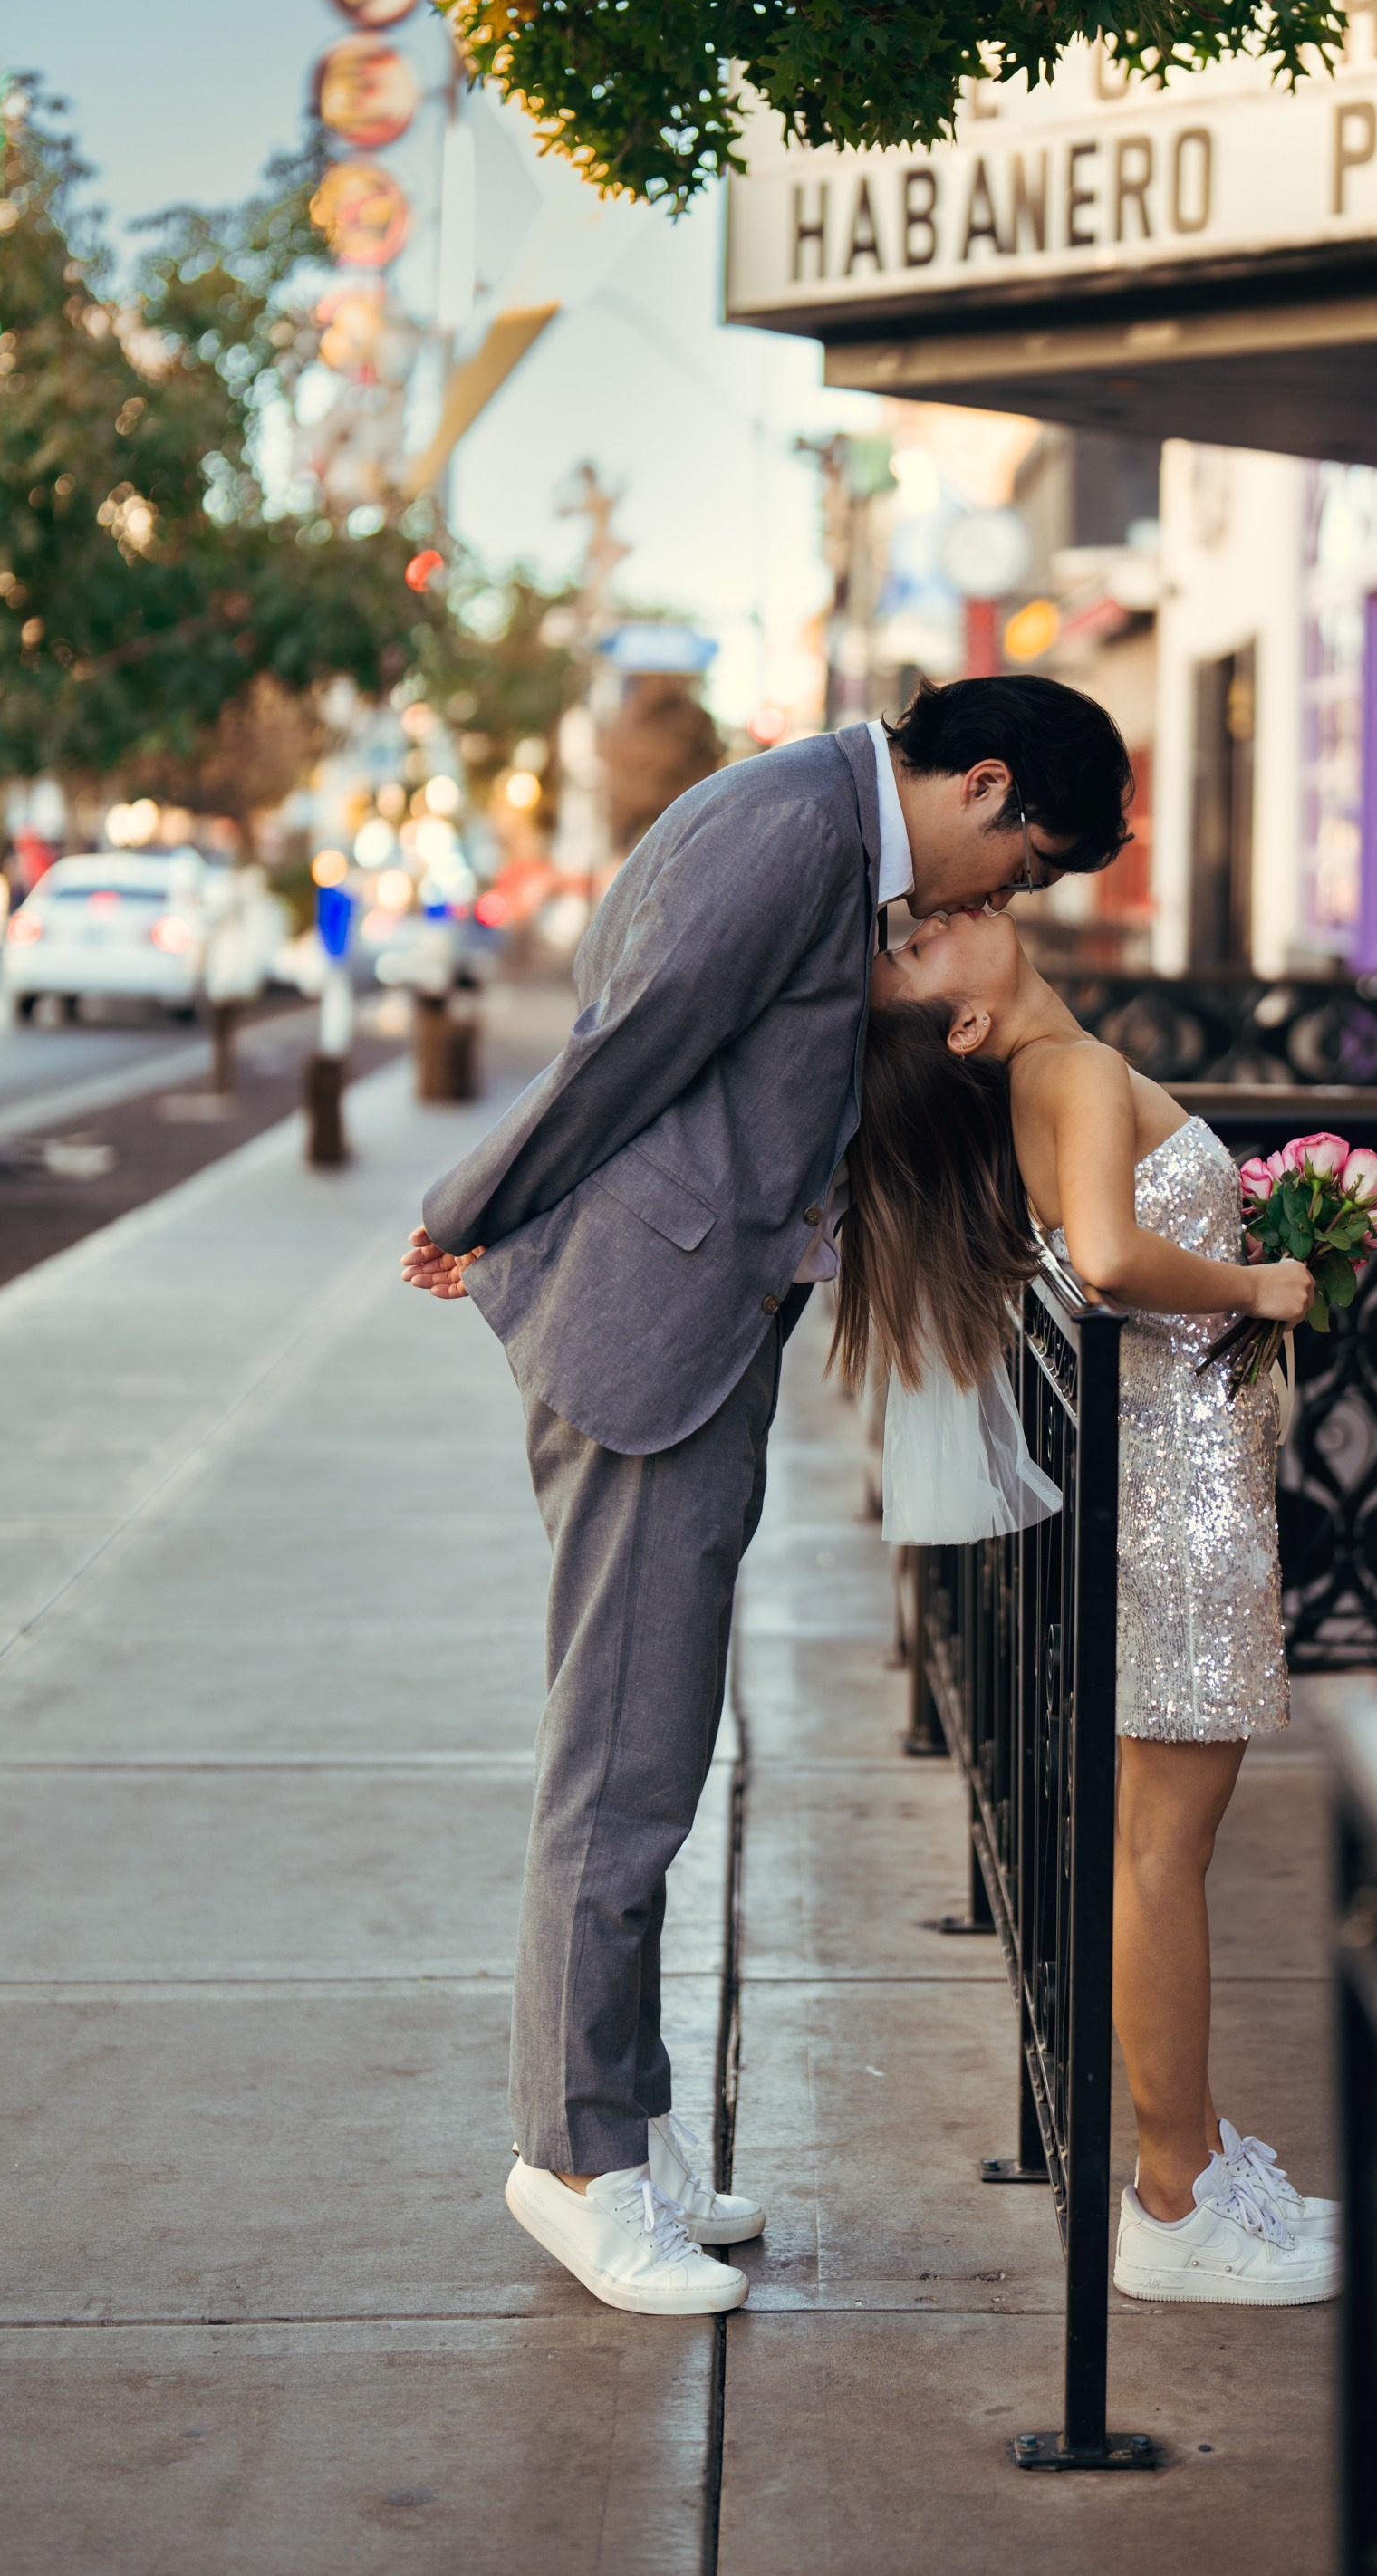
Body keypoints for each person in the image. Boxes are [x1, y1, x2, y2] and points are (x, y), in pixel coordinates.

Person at [400, 680, 1132, 2318]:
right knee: (624, 1760)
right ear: (986, 784)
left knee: (655, 1748)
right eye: (1016, 869)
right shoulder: (804, 827)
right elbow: (630, 1037)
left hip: (689, 1335)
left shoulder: (815, 824)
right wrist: (473, 1203)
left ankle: (623, 2130)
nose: (993, 905)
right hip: (648, 1344)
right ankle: (576, 2164)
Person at [835, 904, 1343, 2308]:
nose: (947, 919)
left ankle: (1191, 2166)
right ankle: (1176, 2204)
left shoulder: (1050, 1075)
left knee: (1154, 1847)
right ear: (967, 1026)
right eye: (922, 948)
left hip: (1176, 1493)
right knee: (1166, 1853)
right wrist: (1262, 1281)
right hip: (1189, 1505)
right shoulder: (1065, 1072)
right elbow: (1114, 1262)